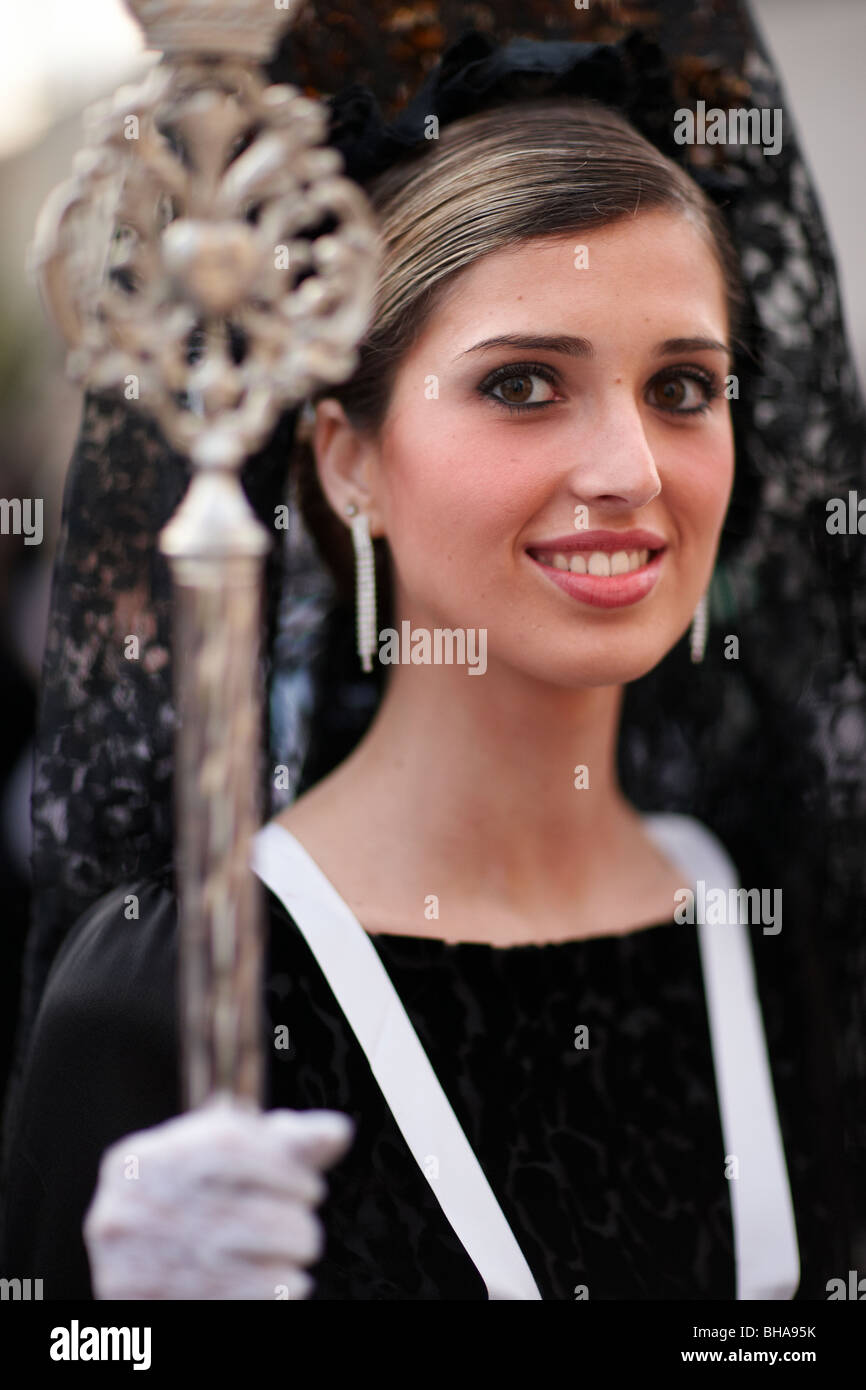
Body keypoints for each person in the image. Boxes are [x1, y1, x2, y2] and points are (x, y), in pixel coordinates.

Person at [2, 20, 864, 1302]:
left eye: (682, 386)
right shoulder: (177, 997)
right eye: (522, 384)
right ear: (347, 459)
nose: (630, 471)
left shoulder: (787, 939)